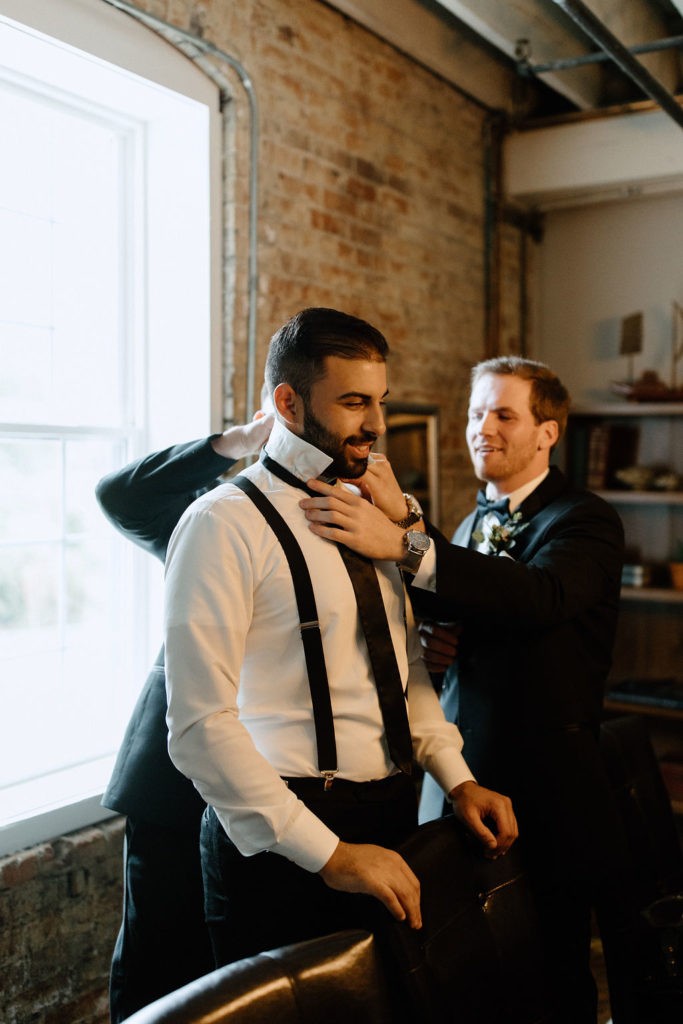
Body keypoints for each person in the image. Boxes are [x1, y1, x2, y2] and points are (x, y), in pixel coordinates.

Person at [163, 308, 518, 972]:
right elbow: (198, 728)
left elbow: (399, 672)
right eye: (354, 402)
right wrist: (329, 854)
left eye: (378, 401)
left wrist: (458, 778)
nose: (377, 424)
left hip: (393, 817)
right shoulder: (221, 525)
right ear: (288, 402)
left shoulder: (372, 516)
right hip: (280, 839)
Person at [299, 356, 635, 1024]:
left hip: (550, 788)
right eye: (476, 413)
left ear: (547, 432)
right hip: (462, 776)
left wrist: (402, 543)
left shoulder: (585, 520)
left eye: (503, 414)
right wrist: (437, 649)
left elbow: (539, 597)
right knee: (478, 968)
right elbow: (475, 610)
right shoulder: (468, 523)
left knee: (553, 966)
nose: (483, 427)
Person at [95, 413, 273, 1024]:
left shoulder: (354, 520)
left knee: (254, 977)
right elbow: (122, 496)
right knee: (160, 967)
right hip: (176, 787)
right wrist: (239, 443)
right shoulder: (216, 517)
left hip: (284, 788)